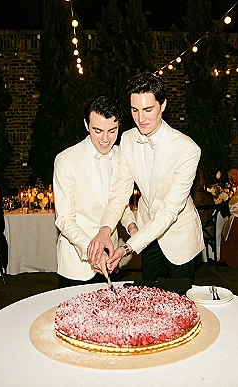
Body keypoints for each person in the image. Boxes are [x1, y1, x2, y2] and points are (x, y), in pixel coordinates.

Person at [87, 72, 203, 282]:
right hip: (146, 231)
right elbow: (120, 191)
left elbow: (169, 210)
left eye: (148, 110)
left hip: (179, 234)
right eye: (135, 110)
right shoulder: (128, 139)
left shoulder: (188, 149)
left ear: (163, 105)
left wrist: (127, 248)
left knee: (180, 302)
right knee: (149, 298)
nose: (141, 118)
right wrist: (105, 230)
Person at [53, 95, 138, 288]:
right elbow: (64, 219)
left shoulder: (121, 156)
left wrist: (132, 226)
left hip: (110, 259)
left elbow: (119, 203)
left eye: (112, 131)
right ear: (86, 125)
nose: (105, 139)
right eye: (98, 131)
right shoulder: (66, 160)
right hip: (77, 262)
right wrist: (93, 250)